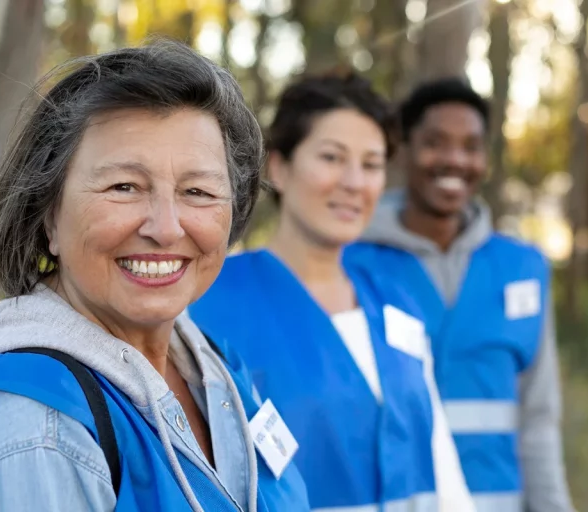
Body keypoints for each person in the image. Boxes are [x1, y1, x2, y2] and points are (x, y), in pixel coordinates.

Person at [0, 40, 309, 512]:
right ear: (48, 215)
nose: (166, 228)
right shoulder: (34, 438)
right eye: (124, 187)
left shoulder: (214, 369)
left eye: (197, 191)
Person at [189, 71, 474, 512]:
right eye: (332, 157)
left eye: (372, 164)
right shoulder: (206, 303)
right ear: (279, 168)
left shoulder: (398, 307)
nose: (354, 182)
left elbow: (442, 468)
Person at [344, 78, 574, 512]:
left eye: (471, 146)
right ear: (404, 149)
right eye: (435, 143)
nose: (455, 160)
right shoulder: (351, 263)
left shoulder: (523, 268)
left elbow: (539, 418)